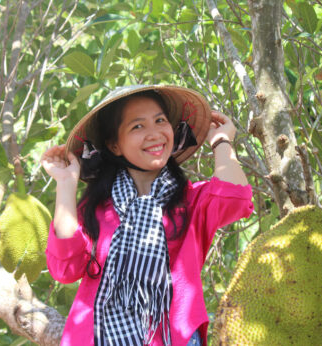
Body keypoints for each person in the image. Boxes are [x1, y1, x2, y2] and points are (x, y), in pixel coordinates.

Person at [41, 85, 253, 346]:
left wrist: (221, 140)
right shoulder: (95, 212)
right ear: (114, 145)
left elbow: (236, 199)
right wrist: (65, 183)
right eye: (137, 127)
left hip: (174, 338)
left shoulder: (193, 201)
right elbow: (65, 267)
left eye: (160, 121)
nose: (154, 134)